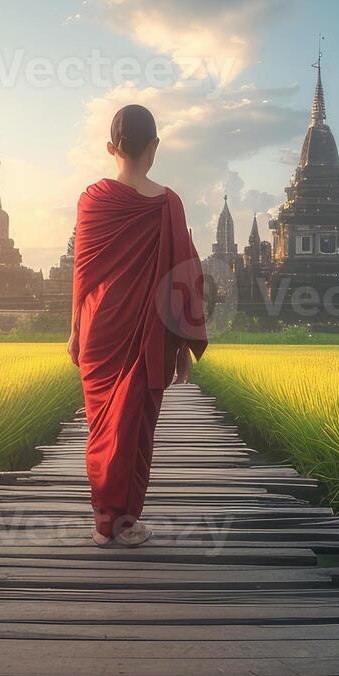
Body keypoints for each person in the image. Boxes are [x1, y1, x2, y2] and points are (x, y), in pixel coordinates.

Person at [68, 105, 208, 547]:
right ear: (155, 148)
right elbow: (183, 275)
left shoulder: (93, 200)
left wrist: (74, 330)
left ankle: (103, 521)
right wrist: (183, 343)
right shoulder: (169, 203)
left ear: (112, 149)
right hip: (152, 335)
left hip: (99, 332)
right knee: (138, 429)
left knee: (103, 428)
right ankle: (125, 523)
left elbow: (83, 274)